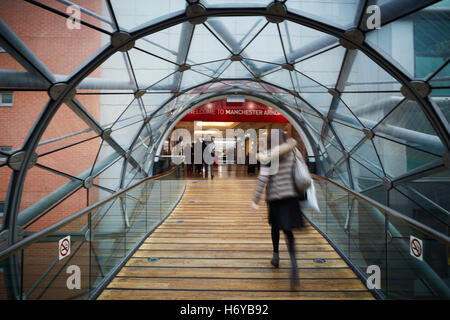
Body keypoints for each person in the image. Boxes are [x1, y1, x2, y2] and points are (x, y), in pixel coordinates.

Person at [251, 129, 306, 289]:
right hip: (291, 196)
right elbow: (301, 169)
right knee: (288, 231)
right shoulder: (293, 150)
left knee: (275, 227)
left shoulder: (270, 156)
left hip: (275, 197)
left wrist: (255, 200)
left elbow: (263, 178)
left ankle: (276, 257)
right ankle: (294, 264)